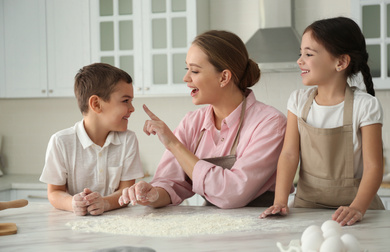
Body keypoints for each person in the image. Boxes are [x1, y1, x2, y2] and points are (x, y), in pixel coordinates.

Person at [118, 30, 287, 209]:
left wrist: (174, 145)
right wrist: (151, 194)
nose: (186, 78)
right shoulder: (192, 122)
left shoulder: (270, 123)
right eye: (187, 69)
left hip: (261, 223)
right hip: (212, 223)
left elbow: (233, 193)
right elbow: (170, 183)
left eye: (195, 71)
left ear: (224, 77)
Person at [260, 17, 385, 226]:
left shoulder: (365, 106)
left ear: (341, 62)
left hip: (357, 212)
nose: (300, 60)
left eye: (308, 54)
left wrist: (357, 208)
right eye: (300, 53)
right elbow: (290, 154)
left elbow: (374, 167)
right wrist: (280, 200)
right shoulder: (298, 101)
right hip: (307, 207)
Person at [40, 63, 144, 216]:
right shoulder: (61, 142)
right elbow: (54, 192)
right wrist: (72, 203)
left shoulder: (128, 140)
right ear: (96, 104)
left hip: (118, 223)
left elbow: (126, 191)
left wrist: (105, 203)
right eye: (125, 101)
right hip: (73, 226)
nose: (132, 108)